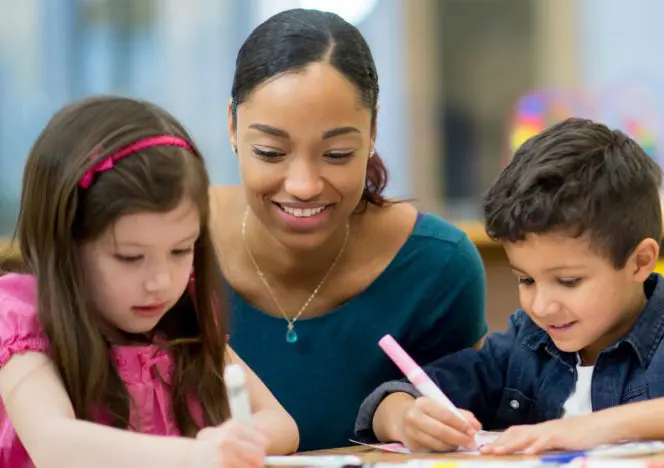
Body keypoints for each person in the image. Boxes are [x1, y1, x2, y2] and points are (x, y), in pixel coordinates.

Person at [209, 8, 488, 451]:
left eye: (336, 154)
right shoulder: (172, 242)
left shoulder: (438, 269)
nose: (303, 185)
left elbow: (459, 433)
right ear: (232, 126)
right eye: (270, 152)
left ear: (373, 130)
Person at [0, 96, 299, 467]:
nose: (160, 282)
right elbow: (54, 445)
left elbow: (281, 423)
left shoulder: (182, 315)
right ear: (65, 247)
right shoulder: (22, 321)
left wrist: (230, 442)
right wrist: (196, 455)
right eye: (130, 257)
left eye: (180, 251)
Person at [355, 117, 664, 455]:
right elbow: (395, 397)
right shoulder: (527, 345)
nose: (542, 306)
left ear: (640, 261)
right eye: (526, 279)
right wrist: (405, 418)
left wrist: (587, 429)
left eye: (568, 281)